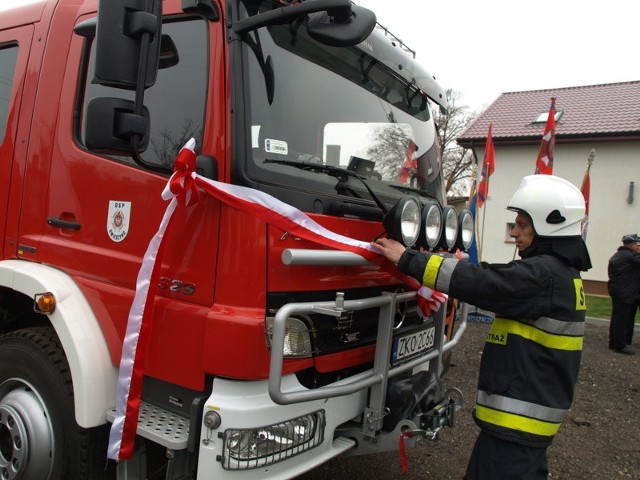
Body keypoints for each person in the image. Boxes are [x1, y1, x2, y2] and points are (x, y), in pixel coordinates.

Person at [373, 174, 591, 480]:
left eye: (522, 225)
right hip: (529, 419)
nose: (514, 232)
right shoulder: (561, 273)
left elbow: (482, 283)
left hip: (518, 424)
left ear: (548, 226)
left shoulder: (544, 275)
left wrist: (408, 259)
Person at [607, 234, 640, 355]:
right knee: (622, 319)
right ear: (631, 245)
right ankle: (620, 345)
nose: (638, 247)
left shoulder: (617, 255)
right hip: (625, 292)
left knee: (617, 318)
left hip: (618, 291)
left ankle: (613, 342)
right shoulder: (631, 257)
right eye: (637, 245)